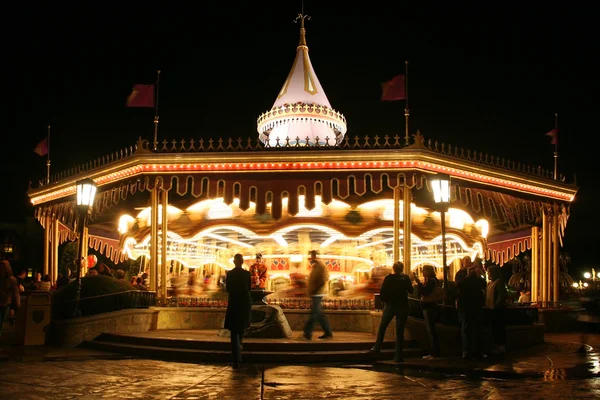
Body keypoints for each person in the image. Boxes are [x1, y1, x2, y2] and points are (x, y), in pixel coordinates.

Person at [370, 261, 414, 362]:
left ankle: (377, 347)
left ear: (393, 269)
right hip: (402, 305)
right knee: (400, 331)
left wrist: (386, 301)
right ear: (402, 269)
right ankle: (398, 355)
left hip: (390, 305)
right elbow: (411, 291)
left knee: (383, 326)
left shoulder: (389, 278)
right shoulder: (405, 278)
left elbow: (383, 292)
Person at [224, 253, 253, 368]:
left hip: (234, 302)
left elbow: (228, 288)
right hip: (245, 301)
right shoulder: (247, 274)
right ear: (242, 262)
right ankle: (239, 350)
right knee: (241, 328)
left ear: (234, 262)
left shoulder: (230, 274)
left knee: (233, 331)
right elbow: (249, 288)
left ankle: (236, 357)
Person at [457, 266, 487, 359]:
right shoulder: (479, 282)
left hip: (466, 308)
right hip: (476, 307)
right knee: (478, 329)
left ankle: (466, 350)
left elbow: (459, 293)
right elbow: (483, 286)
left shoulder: (464, 282)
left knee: (466, 329)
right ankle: (480, 350)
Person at [303, 250, 333, 340]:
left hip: (317, 293)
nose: (310, 258)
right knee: (319, 314)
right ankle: (328, 332)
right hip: (315, 293)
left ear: (315, 256)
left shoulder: (321, 266)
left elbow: (324, 279)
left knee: (315, 313)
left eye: (311, 256)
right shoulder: (315, 267)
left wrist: (315, 289)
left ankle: (307, 332)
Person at [414, 265, 441, 359]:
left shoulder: (432, 281)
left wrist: (418, 283)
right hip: (429, 306)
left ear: (429, 271)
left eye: (424, 270)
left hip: (430, 306)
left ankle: (434, 352)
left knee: (431, 329)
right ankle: (434, 351)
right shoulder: (430, 280)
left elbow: (424, 292)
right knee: (431, 329)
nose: (422, 272)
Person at [486, 266, 508, 355]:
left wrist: (497, 304)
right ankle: (496, 345)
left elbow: (502, 295)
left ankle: (501, 346)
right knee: (494, 328)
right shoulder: (491, 283)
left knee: (499, 328)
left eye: (489, 272)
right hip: (492, 309)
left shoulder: (498, 282)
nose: (488, 274)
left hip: (497, 309)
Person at [0, 260, 21, 335]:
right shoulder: (12, 280)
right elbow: (16, 294)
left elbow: (15, 294)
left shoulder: (11, 280)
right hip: (5, 303)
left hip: (6, 304)